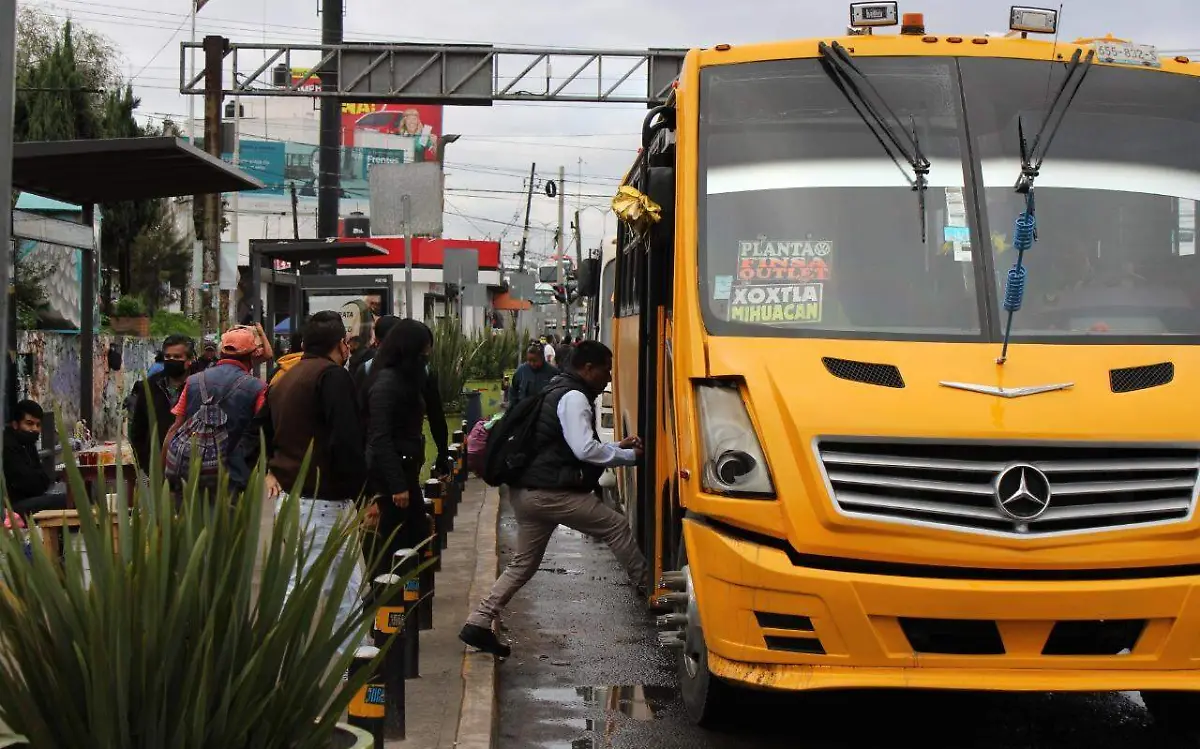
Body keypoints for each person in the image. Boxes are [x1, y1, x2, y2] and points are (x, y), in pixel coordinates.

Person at [459, 341, 647, 658]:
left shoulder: (558, 388)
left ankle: (478, 622)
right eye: (606, 369)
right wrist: (629, 456)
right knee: (616, 527)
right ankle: (655, 594)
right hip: (550, 494)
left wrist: (616, 445)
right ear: (587, 368)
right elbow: (584, 450)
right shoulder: (574, 397)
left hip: (528, 492)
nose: (608, 377)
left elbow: (565, 444)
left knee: (523, 564)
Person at [246, 311, 368, 635]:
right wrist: (362, 491)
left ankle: (355, 661)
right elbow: (347, 440)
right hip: (324, 500)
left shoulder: (286, 378)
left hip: (299, 497)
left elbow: (256, 433)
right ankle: (275, 658)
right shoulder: (332, 377)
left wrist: (270, 469)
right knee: (301, 590)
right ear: (342, 345)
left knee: (347, 591)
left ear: (303, 343)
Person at [362, 319, 435, 578]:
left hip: (406, 472)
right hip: (390, 480)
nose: (426, 356)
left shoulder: (406, 380)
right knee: (393, 546)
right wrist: (396, 485)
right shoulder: (386, 384)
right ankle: (386, 607)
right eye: (423, 350)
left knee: (415, 538)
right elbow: (380, 438)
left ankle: (406, 606)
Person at [163, 327, 267, 492]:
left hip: (192, 476)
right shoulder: (258, 388)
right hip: (234, 480)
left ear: (221, 352)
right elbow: (264, 432)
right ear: (252, 355)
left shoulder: (193, 381)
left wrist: (167, 472)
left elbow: (175, 427)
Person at [128, 335, 193, 472]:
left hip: (189, 465)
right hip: (155, 465)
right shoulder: (150, 386)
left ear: (189, 361)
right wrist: (144, 461)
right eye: (168, 357)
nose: (172, 361)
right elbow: (138, 428)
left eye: (177, 357)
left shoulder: (199, 386)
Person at [3, 400, 68, 516]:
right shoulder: (7, 446)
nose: (34, 429)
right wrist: (36, 480)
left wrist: (36, 480)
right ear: (15, 424)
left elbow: (43, 480)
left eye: (38, 425)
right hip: (12, 510)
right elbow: (27, 483)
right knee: (68, 500)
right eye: (29, 423)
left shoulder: (27, 444)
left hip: (32, 499)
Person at [507, 342, 559, 409]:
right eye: (529, 360)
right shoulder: (521, 371)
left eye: (534, 361)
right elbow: (513, 390)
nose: (532, 363)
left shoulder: (553, 372)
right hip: (523, 411)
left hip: (543, 413)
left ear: (542, 358)